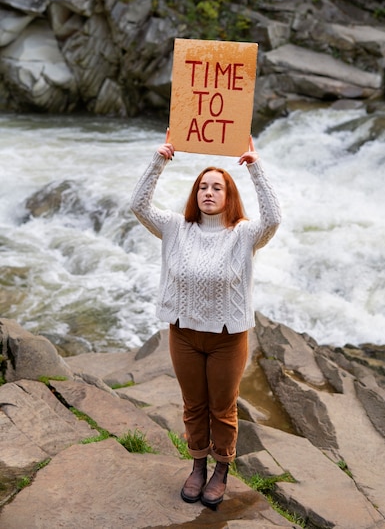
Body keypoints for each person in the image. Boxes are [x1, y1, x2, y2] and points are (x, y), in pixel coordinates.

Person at [130, 129, 281, 510]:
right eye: (203, 187)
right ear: (195, 195)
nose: (209, 193)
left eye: (217, 187)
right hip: (183, 333)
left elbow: (274, 217)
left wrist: (254, 167)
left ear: (229, 197)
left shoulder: (244, 234)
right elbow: (138, 205)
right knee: (193, 404)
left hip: (228, 338)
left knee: (223, 407)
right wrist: (160, 159)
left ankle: (221, 470)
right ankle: (197, 464)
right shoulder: (175, 228)